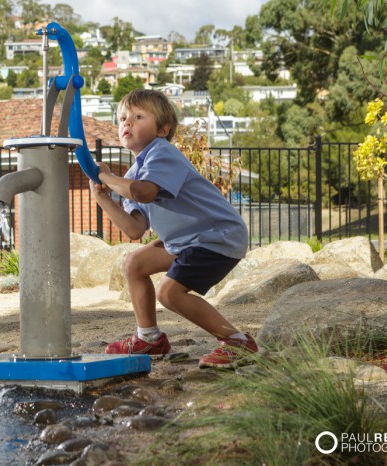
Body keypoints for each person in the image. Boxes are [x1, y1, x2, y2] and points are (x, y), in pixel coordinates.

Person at [90, 89, 260, 369]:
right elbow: (134, 228)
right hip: (188, 241)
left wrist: (107, 177)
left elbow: (144, 193)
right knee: (134, 262)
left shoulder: (163, 154)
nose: (127, 123)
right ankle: (149, 338)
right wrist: (103, 197)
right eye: (122, 118)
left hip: (217, 236)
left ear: (162, 129)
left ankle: (237, 342)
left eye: (138, 116)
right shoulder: (134, 174)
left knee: (169, 293)